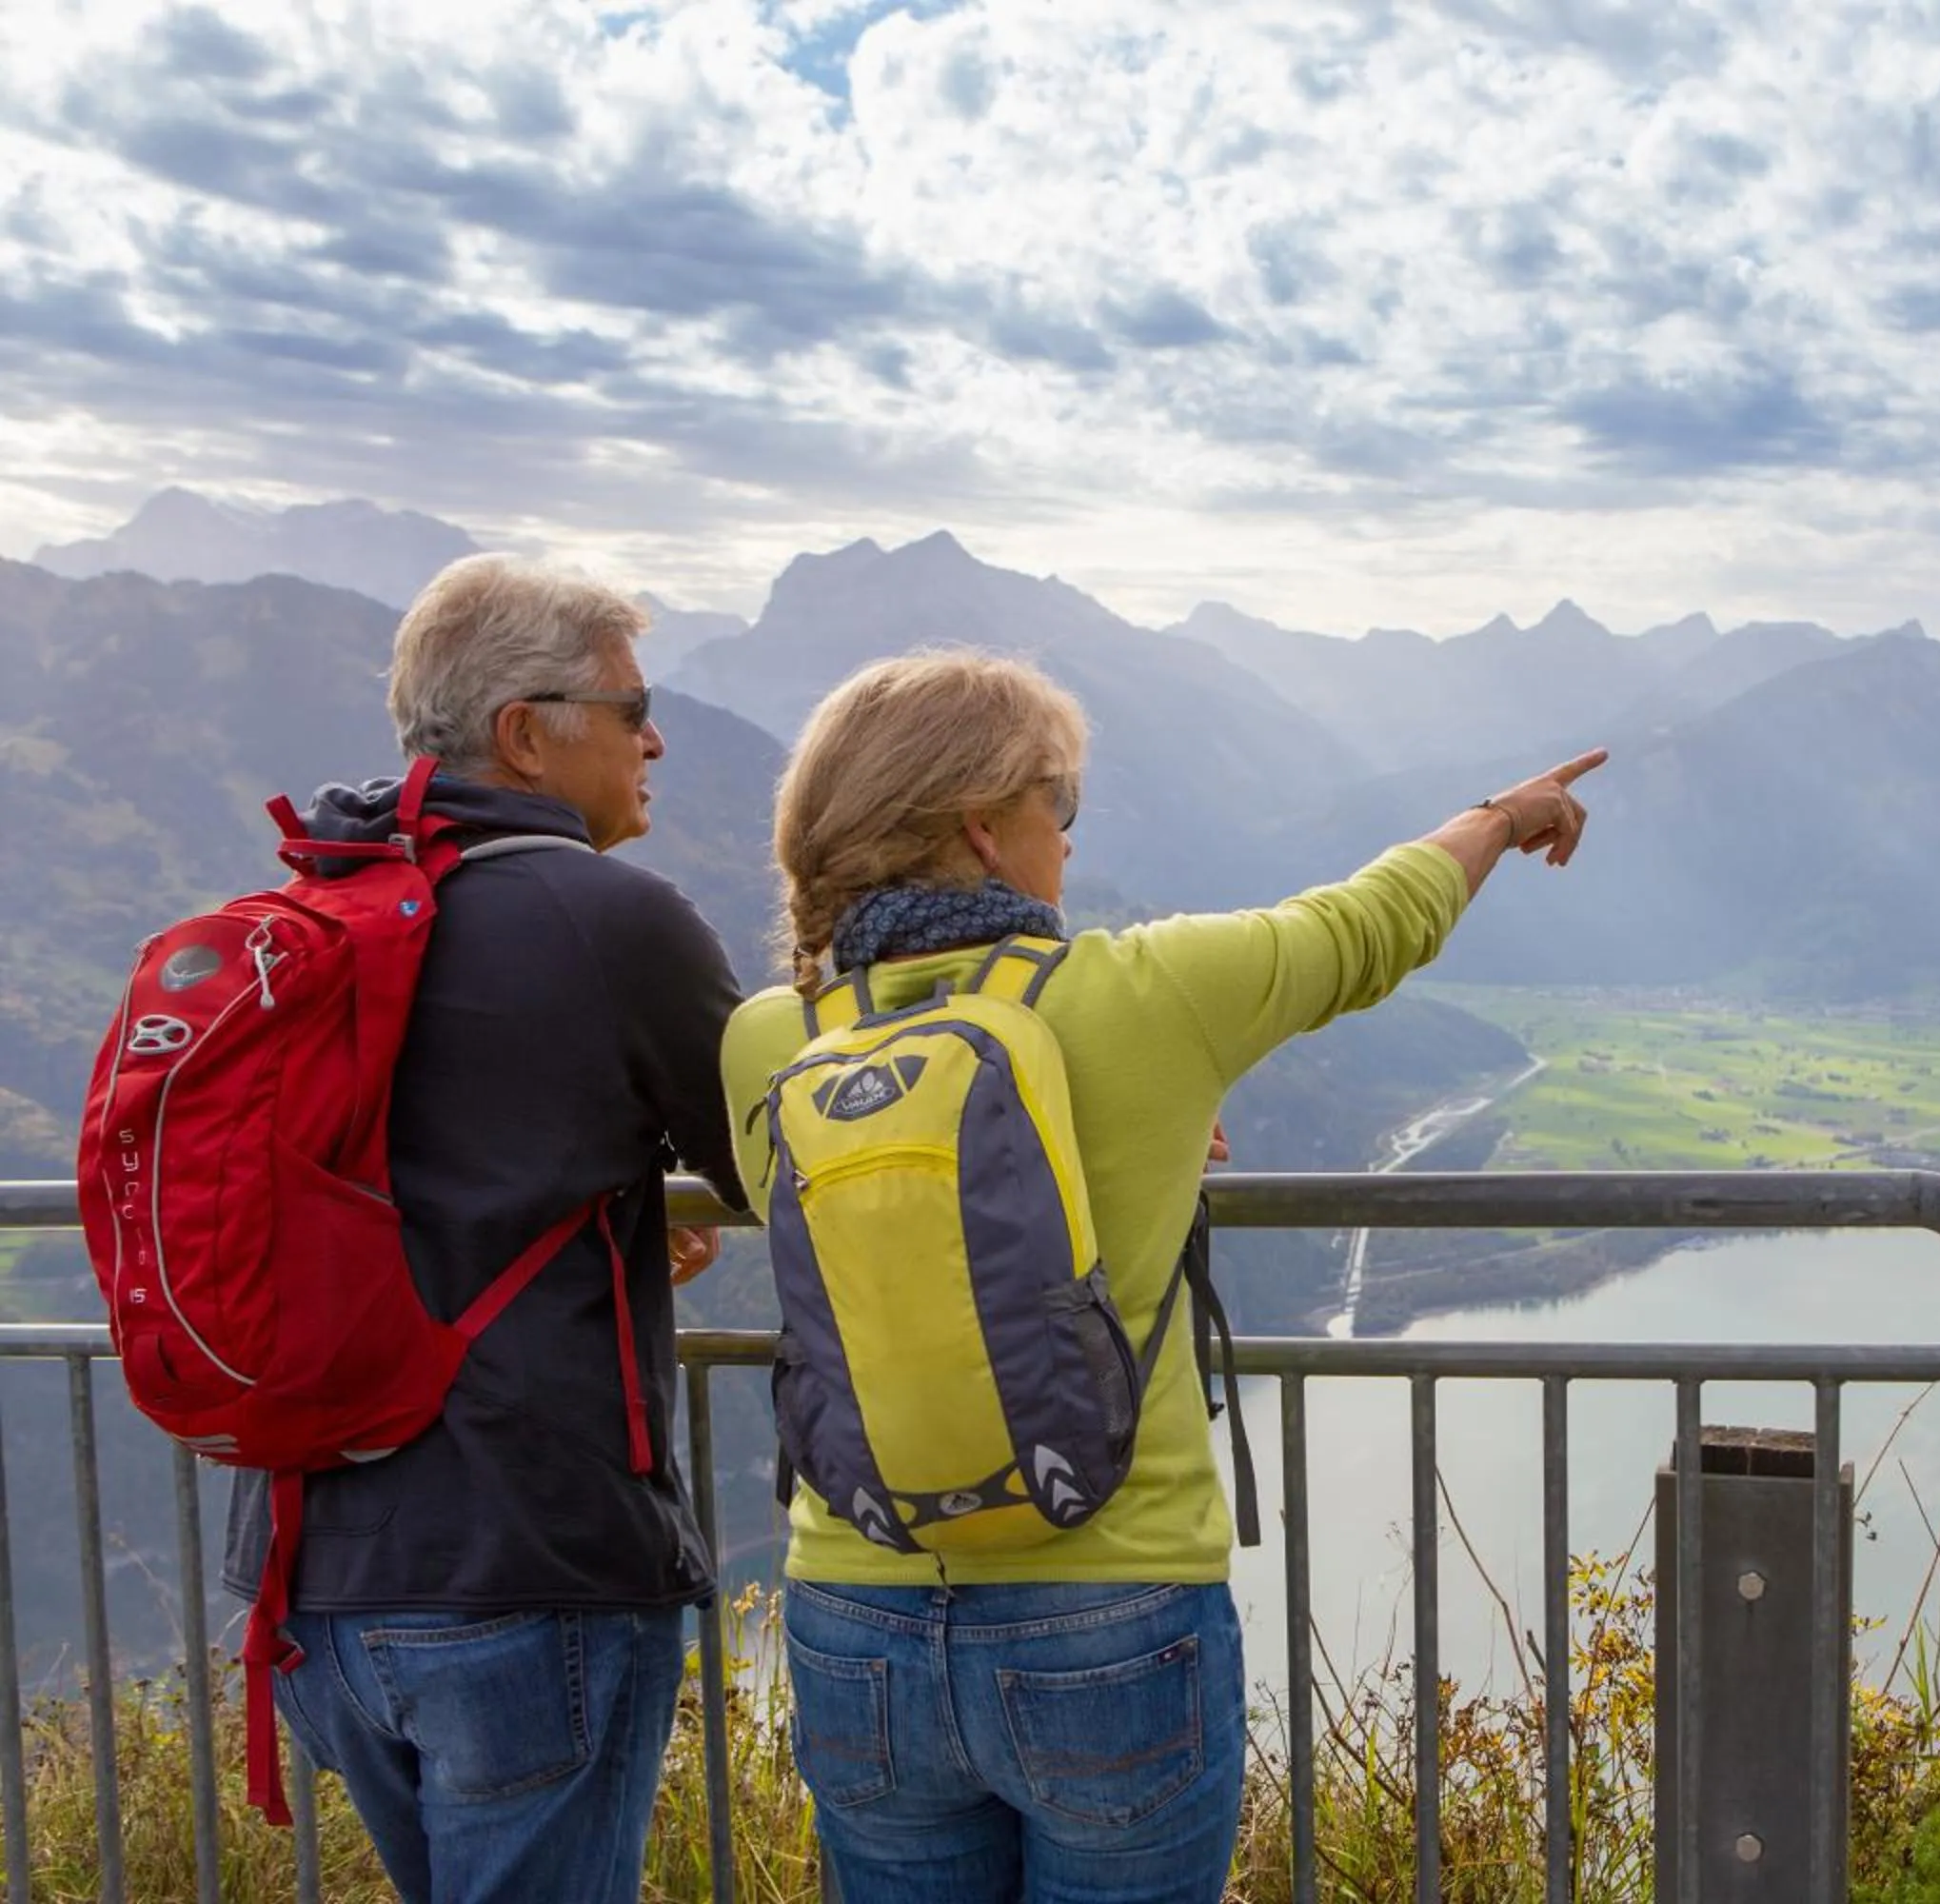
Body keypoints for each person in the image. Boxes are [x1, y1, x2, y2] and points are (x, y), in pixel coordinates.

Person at [720, 648, 1600, 1903]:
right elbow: (1370, 924)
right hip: (1110, 1606)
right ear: (985, 826)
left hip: (856, 1613)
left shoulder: (772, 1039)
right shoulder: (1146, 995)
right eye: (1059, 809)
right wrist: (1503, 817)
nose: (1068, 845)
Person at [221, 555, 746, 1902]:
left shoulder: (310, 918)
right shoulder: (614, 920)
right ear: (526, 731)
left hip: (314, 1577)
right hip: (531, 1568)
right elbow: (781, 1164)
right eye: (632, 706)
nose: (656, 736)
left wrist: (610, 1229)